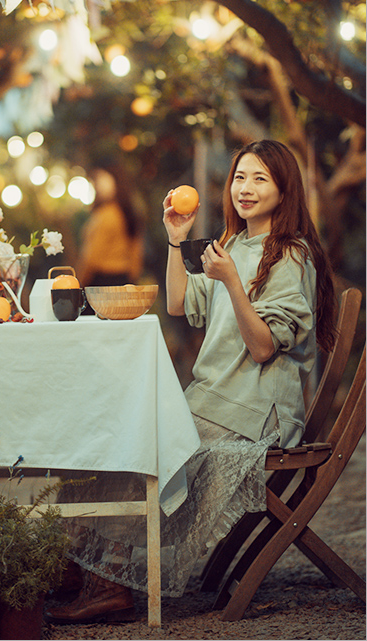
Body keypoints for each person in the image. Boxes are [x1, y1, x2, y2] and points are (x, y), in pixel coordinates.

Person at [46, 139, 336, 625]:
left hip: (253, 411)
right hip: (211, 400)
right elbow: (180, 304)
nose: (245, 188)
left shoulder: (290, 255)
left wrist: (231, 283)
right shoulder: (233, 245)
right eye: (240, 177)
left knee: (141, 452)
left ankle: (107, 582)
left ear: (285, 191)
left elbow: (264, 347)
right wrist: (176, 238)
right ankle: (84, 570)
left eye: (260, 178)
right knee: (117, 439)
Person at [77, 165, 144, 288]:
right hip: (124, 280)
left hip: (102, 282)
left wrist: (78, 284)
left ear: (115, 181)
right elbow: (136, 255)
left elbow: (91, 257)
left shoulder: (106, 215)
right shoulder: (127, 213)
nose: (98, 186)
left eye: (102, 180)